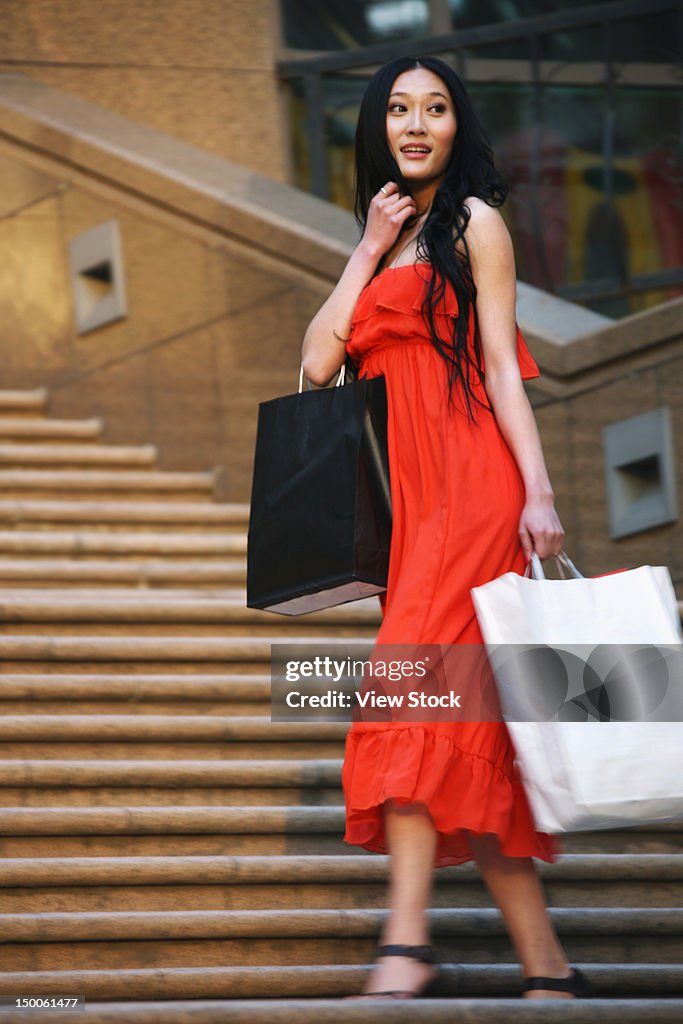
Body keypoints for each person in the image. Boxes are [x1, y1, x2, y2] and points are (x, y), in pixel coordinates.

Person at [301, 55, 592, 1002]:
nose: (414, 123)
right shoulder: (387, 238)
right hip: (408, 510)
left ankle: (405, 944)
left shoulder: (477, 223)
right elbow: (315, 367)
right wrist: (363, 247)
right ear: (378, 127)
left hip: (472, 492)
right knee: (461, 725)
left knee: (408, 696)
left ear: (457, 125)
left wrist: (538, 492)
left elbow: (503, 367)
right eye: (397, 108)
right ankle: (545, 966)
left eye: (433, 108)